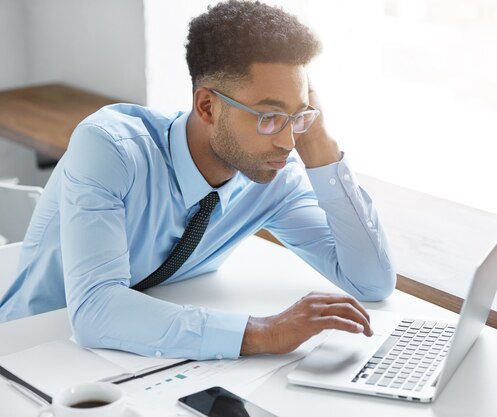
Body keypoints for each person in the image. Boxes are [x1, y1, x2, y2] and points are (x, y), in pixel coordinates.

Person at [0, 0, 396, 360]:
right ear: (207, 106)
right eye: (268, 117)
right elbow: (96, 310)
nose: (287, 141)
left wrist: (321, 149)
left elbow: (371, 282)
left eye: (299, 117)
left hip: (152, 359)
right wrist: (262, 332)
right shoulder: (110, 148)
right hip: (32, 350)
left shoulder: (272, 178)